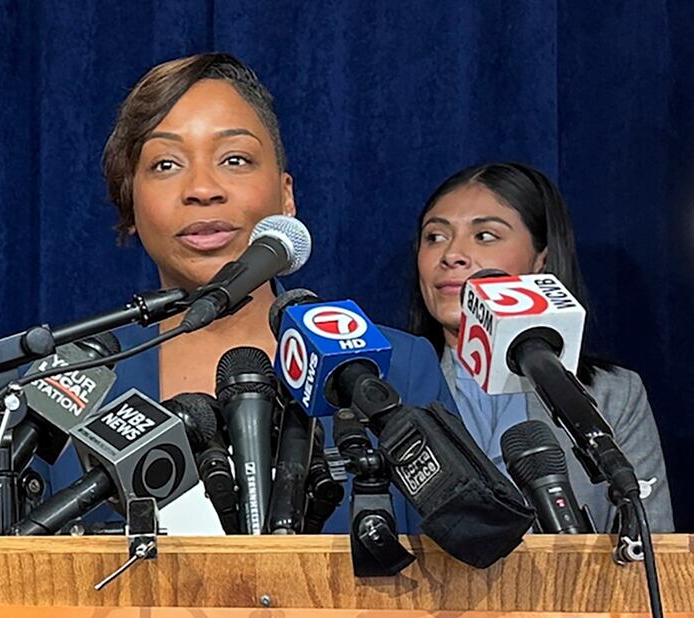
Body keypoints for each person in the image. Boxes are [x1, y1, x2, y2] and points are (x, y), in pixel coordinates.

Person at [49, 52, 455, 533]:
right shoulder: (70, 386)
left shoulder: (399, 365)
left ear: (286, 195)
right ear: (131, 203)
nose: (202, 189)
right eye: (165, 164)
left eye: (235, 159)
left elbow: (463, 581)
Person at [409, 161, 674, 532]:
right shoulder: (385, 388)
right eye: (435, 236)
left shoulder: (613, 394)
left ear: (540, 260)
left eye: (485, 235)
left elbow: (653, 550)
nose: (451, 255)